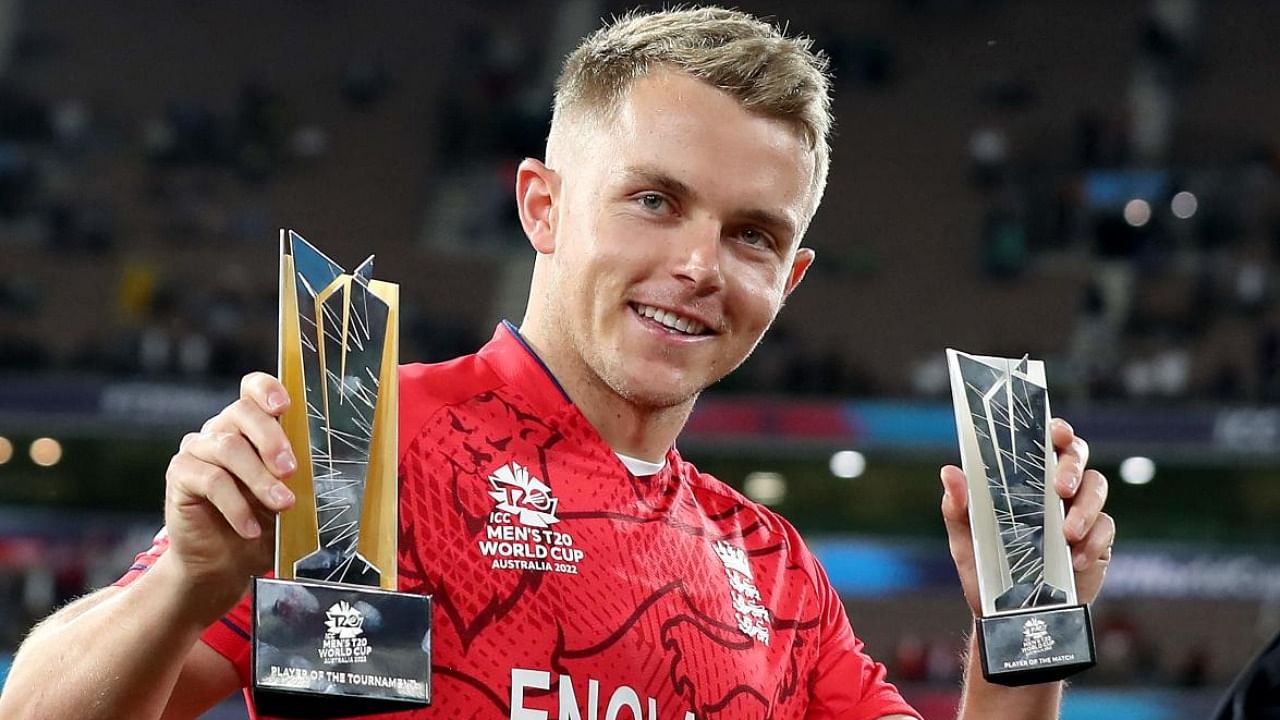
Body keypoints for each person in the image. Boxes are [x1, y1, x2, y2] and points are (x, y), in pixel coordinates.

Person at [0, 7, 1115, 719]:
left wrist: (1019, 629)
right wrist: (191, 583)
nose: (696, 265)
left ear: (791, 279)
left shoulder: (771, 565)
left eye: (750, 236)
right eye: (653, 201)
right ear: (542, 205)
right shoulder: (365, 450)